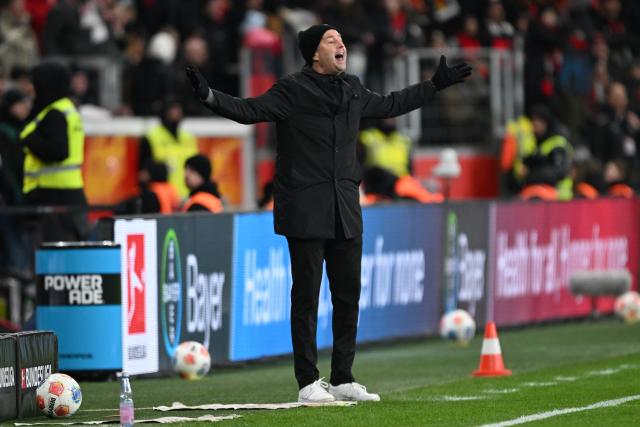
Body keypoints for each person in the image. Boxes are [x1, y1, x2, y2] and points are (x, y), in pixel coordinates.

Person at [186, 24, 471, 402]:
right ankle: (307, 382)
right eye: (331, 40)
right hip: (305, 208)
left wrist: (433, 85)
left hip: (345, 208)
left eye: (341, 39)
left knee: (348, 296)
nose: (341, 44)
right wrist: (208, 95)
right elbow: (248, 110)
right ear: (314, 54)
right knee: (306, 298)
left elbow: (390, 104)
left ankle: (343, 377)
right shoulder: (291, 90)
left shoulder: (352, 88)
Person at [20, 61, 88, 242]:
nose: (30, 88)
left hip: (56, 197)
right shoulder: (65, 108)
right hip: (68, 194)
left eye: (34, 82)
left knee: (55, 259)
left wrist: (29, 140)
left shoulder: (54, 113)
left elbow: (58, 151)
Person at [140, 100, 198, 199]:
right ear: (165, 112)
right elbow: (144, 175)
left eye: (178, 109)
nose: (177, 113)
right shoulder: (152, 137)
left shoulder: (188, 138)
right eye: (173, 109)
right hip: (163, 198)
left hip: (187, 197)